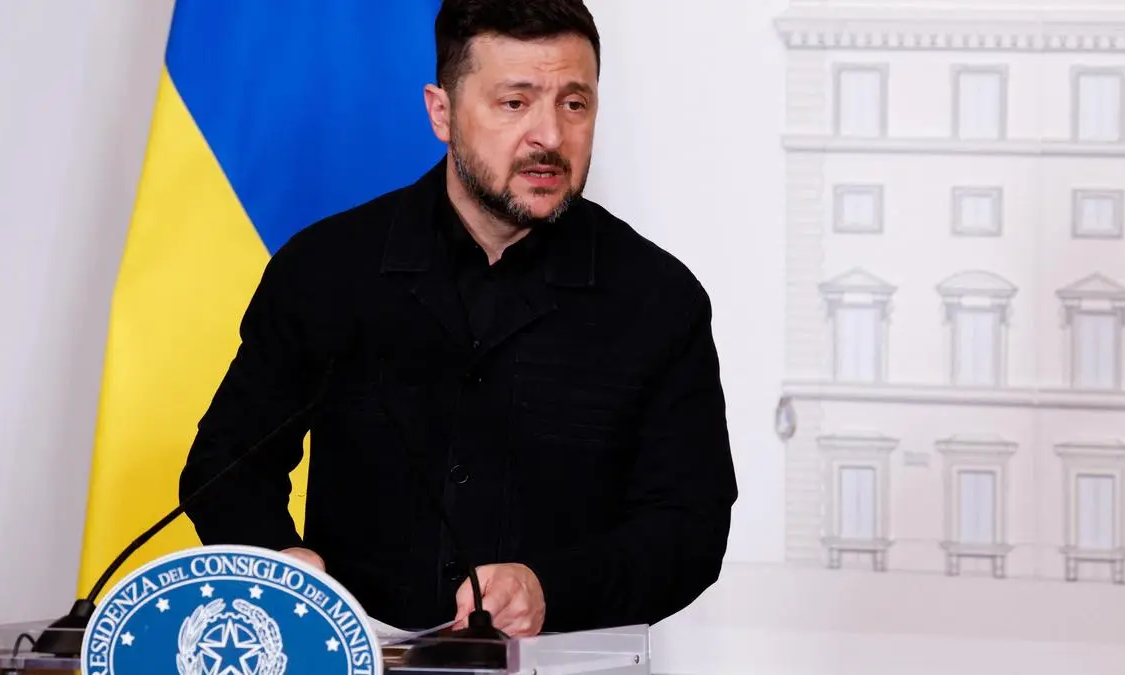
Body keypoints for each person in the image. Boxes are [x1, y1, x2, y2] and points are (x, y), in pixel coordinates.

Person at [178, 0, 738, 639]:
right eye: (515, 103)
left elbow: (689, 527)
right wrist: (280, 562)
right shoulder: (328, 269)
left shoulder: (658, 298)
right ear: (441, 112)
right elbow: (225, 465)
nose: (550, 137)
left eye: (574, 104)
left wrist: (551, 590)